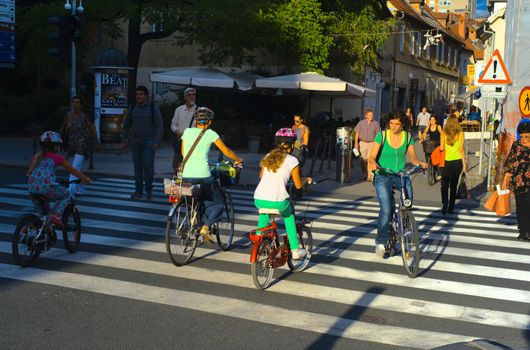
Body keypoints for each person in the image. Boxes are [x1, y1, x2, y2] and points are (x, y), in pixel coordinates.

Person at [368, 110, 427, 258]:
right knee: (386, 209)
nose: (393, 126)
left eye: (397, 124)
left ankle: (405, 220)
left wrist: (420, 163)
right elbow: (372, 157)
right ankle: (381, 242)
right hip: (383, 174)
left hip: (400, 173)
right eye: (391, 123)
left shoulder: (407, 137)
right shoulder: (381, 136)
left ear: (403, 125)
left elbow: (413, 158)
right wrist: (374, 164)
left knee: (408, 197)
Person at [181, 107, 243, 242]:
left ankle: (193, 220)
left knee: (195, 198)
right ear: (209, 122)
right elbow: (225, 150)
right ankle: (206, 227)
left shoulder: (187, 131)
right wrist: (237, 159)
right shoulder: (210, 134)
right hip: (202, 175)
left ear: (196, 121)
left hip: (185, 174)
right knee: (218, 203)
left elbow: (183, 153)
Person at [254, 128, 312, 260]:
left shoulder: (269, 156)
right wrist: (307, 179)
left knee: (264, 212)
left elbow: (261, 175)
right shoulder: (293, 160)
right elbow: (298, 184)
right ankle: (295, 250)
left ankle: (258, 239)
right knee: (289, 215)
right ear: (291, 145)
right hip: (279, 201)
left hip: (259, 198)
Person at [28, 131, 91, 228]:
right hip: (47, 187)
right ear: (55, 146)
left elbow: (31, 173)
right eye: (58, 145)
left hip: (32, 189)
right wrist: (85, 179)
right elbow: (73, 170)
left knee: (44, 219)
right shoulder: (57, 157)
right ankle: (56, 215)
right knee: (67, 195)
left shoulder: (35, 157)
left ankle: (32, 234)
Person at [121, 86, 163, 200]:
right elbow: (126, 124)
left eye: (140, 94)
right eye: (137, 94)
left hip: (149, 141)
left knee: (148, 166)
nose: (138, 96)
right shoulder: (133, 107)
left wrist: (157, 141)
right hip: (136, 141)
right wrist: (124, 139)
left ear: (146, 96)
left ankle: (148, 189)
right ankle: (138, 191)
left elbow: (159, 125)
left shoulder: (153, 108)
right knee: (137, 167)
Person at [60, 96, 96, 196]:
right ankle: (80, 189)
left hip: (82, 145)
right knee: (76, 168)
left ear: (81, 105)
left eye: (77, 102)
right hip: (71, 145)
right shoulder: (68, 116)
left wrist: (94, 143)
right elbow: (63, 130)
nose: (75, 104)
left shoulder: (85, 117)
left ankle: (71, 189)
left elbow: (92, 130)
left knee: (74, 168)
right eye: (73, 102)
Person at [502, 119, 530, 241]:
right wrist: (505, 179)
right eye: (522, 136)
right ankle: (522, 230)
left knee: (528, 205)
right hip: (518, 181)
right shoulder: (516, 145)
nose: (523, 139)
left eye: (527, 136)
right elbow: (510, 162)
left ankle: (527, 231)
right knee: (520, 205)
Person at [439, 115, 466, 215]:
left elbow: (441, 148)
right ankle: (451, 206)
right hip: (457, 162)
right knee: (454, 185)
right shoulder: (460, 134)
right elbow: (461, 150)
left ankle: (444, 204)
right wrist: (464, 164)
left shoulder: (443, 133)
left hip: (446, 162)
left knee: (444, 185)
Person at [171, 87, 197, 171]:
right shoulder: (179, 109)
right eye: (189, 95)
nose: (192, 97)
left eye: (193, 95)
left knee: (190, 168)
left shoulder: (199, 111)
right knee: (177, 167)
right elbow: (173, 124)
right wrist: (176, 130)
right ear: (185, 97)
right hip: (180, 143)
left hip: (192, 144)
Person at [354, 109, 380, 181]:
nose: (371, 116)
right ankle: (363, 173)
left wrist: (378, 145)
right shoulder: (361, 123)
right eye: (370, 115)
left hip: (372, 143)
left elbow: (378, 135)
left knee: (370, 159)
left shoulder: (376, 123)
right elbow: (357, 133)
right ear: (366, 116)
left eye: (372, 115)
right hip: (363, 143)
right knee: (363, 160)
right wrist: (356, 143)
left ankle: (369, 175)